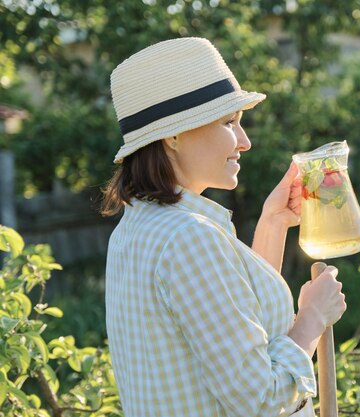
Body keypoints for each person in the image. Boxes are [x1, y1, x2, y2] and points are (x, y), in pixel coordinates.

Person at [101, 37, 346, 417]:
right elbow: (262, 399)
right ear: (173, 135)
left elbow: (235, 325)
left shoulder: (139, 227)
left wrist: (274, 222)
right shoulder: (189, 237)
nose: (244, 141)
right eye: (229, 123)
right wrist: (312, 317)